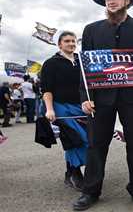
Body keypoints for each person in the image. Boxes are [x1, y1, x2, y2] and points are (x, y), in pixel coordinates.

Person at [73, 0, 133, 211]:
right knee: (96, 144)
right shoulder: (92, 29)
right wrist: (85, 96)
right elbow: (85, 67)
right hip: (100, 99)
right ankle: (90, 191)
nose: (111, 1)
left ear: (127, 1)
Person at [41, 30, 88, 191]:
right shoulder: (50, 63)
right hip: (61, 107)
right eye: (67, 41)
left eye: (73, 41)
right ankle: (76, 173)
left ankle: (69, 172)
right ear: (59, 44)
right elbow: (46, 89)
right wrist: (49, 109)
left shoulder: (82, 61)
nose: (71, 44)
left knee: (88, 139)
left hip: (82, 106)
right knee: (76, 139)